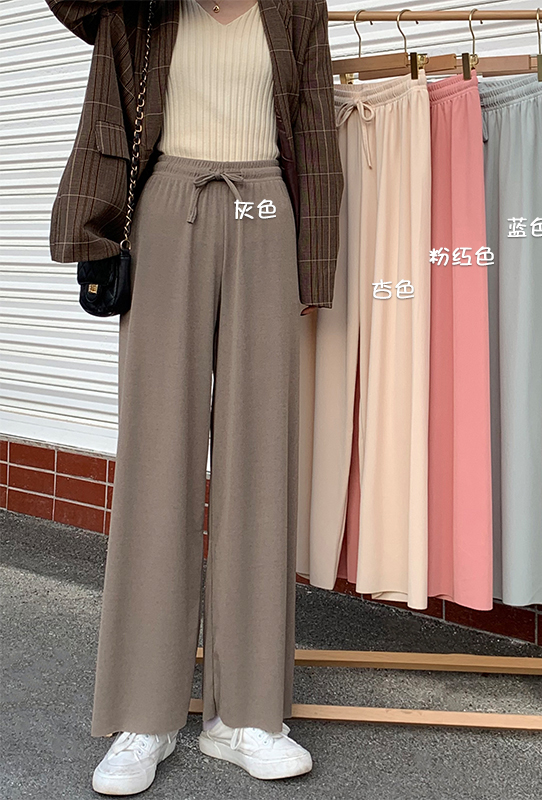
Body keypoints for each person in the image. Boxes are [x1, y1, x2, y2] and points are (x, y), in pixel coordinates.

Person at [44, 0, 344, 794]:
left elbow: (315, 124)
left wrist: (315, 265)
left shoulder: (296, 5)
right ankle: (143, 715)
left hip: (264, 211)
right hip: (166, 210)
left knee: (260, 458)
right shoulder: (140, 5)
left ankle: (246, 715)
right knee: (157, 458)